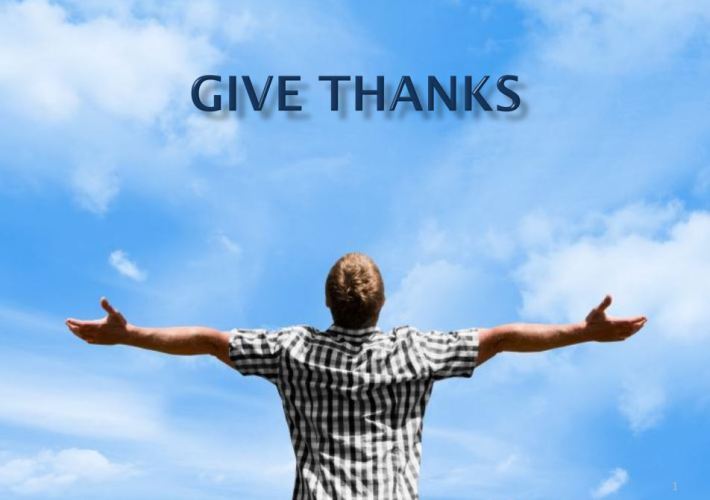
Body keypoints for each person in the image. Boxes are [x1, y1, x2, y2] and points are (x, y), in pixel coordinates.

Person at [65, 252, 647, 500]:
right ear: (383, 304)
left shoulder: (292, 351)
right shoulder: (415, 353)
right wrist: (583, 331)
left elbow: (210, 341)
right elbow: (500, 337)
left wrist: (129, 334)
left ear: (327, 302)